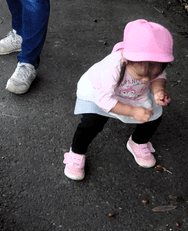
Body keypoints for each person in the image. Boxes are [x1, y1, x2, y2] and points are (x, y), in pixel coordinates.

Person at [63, 20, 174, 180]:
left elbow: (160, 76)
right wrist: (133, 111)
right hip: (102, 94)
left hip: (134, 94)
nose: (146, 80)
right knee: (91, 123)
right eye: (140, 75)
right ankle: (77, 152)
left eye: (152, 75)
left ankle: (137, 141)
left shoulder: (148, 68)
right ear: (127, 60)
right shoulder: (113, 67)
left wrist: (158, 90)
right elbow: (104, 100)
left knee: (153, 116)